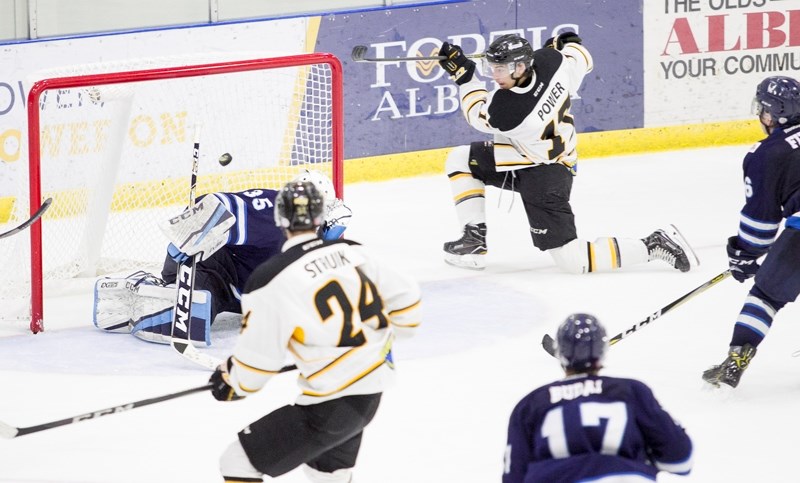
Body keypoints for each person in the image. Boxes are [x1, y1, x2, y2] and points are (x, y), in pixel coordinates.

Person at [208, 180, 421, 483]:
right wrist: (373, 343)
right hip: (370, 392)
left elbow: (259, 363)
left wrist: (233, 380)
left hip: (333, 402)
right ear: (320, 217)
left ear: (279, 219)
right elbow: (408, 301)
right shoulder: (353, 251)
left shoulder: (270, 279)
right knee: (328, 475)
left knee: (237, 463)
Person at [437, 32, 699, 273]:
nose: (495, 75)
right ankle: (473, 238)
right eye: (491, 68)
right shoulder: (553, 61)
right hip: (529, 154)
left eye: (500, 68)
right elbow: (582, 56)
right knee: (462, 159)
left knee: (573, 260)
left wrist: (465, 76)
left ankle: (652, 245)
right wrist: (566, 42)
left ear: (520, 66)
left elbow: (475, 113)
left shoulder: (509, 113)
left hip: (546, 174)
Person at [92, 169, 352, 346]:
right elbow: (219, 204)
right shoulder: (272, 210)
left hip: (238, 291)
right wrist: (191, 234)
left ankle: (154, 300)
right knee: (193, 314)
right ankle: (148, 289)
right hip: (208, 268)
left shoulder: (317, 245)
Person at [503, 313, 693, 483]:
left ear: (560, 353)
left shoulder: (530, 404)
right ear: (603, 351)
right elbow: (681, 461)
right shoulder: (631, 391)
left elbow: (514, 477)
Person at [702, 75, 800, 389]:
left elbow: (760, 227)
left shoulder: (767, 153)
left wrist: (744, 254)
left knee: (766, 296)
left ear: (772, 114)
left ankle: (736, 360)